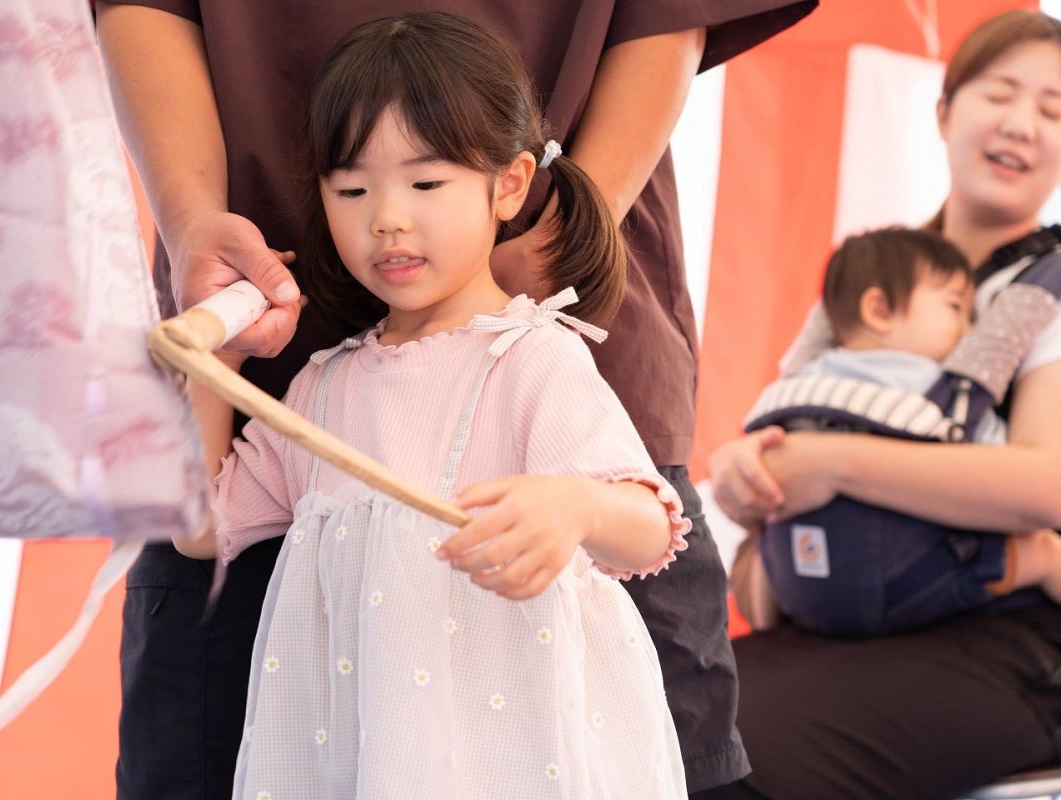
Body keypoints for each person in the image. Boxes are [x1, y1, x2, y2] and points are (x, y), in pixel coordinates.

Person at [95, 1, 818, 797]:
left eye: (427, 180)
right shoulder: (322, 387)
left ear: (510, 184)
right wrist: (212, 357)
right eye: (352, 189)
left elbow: (646, 529)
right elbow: (202, 528)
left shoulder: (533, 355)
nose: (389, 220)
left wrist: (575, 510)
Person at [705, 10, 1061, 799]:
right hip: (832, 614)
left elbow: (1045, 487)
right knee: (654, 720)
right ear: (944, 110)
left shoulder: (1048, 293)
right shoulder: (864, 279)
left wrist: (829, 463)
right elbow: (783, 435)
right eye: (1001, 93)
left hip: (1001, 638)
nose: (1021, 125)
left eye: (1054, 110)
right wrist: (745, 470)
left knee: (745, 759)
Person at [747, 226, 1061, 638]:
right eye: (955, 309)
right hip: (904, 584)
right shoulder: (942, 394)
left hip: (798, 590)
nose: (968, 331)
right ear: (879, 310)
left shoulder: (800, 380)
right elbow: (1011, 479)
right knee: (1043, 548)